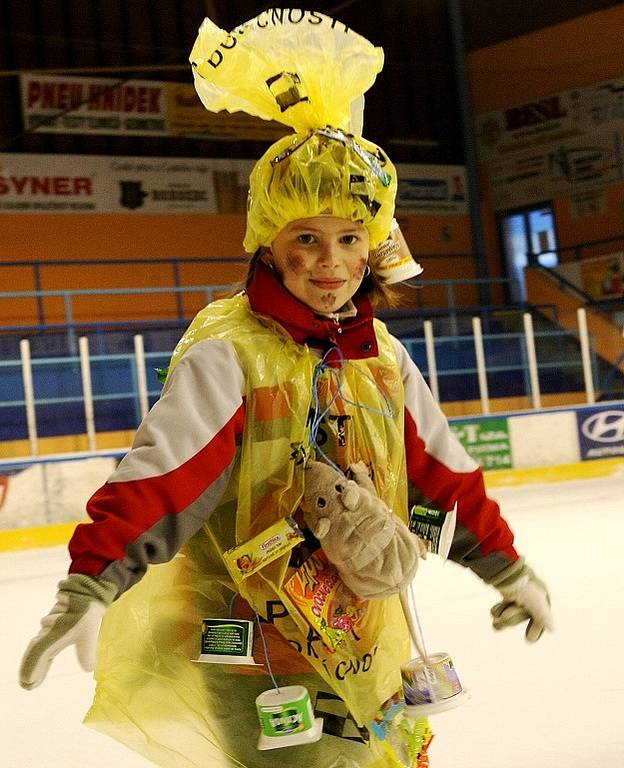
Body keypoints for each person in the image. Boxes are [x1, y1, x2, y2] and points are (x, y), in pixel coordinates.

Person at [19, 11, 553, 768]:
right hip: (250, 649)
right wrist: (88, 587)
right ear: (267, 242)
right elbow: (162, 479)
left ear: (376, 246)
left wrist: (507, 566)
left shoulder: (383, 358)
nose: (329, 263)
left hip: (358, 636)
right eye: (306, 237)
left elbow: (442, 472)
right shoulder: (229, 352)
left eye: (348, 238)